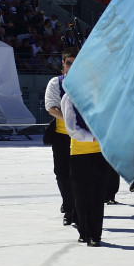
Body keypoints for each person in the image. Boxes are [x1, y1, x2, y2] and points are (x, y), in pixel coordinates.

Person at [60, 84, 111, 246]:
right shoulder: (69, 97)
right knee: (81, 195)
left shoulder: (105, 95)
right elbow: (71, 128)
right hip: (80, 152)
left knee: (98, 194)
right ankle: (83, 231)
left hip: (101, 151)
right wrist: (92, 137)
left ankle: (95, 235)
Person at [43, 48, 75, 226]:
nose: (71, 66)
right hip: (62, 137)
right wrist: (71, 119)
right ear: (63, 63)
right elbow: (51, 108)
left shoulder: (89, 83)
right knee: (62, 174)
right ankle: (69, 207)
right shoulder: (56, 83)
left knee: (79, 175)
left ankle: (75, 208)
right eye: (69, 63)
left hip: (83, 138)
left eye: (75, 63)